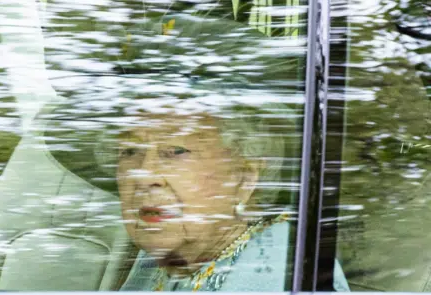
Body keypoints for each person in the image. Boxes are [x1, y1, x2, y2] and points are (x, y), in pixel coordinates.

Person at [43, 15, 350, 291]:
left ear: (244, 177)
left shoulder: (284, 266)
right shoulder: (166, 256)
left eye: (175, 150)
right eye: (129, 150)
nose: (144, 173)